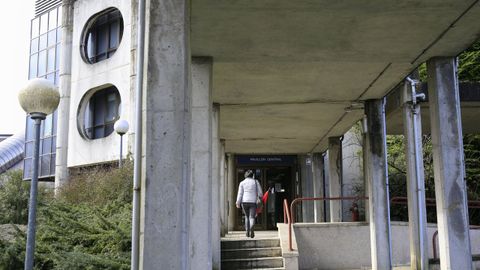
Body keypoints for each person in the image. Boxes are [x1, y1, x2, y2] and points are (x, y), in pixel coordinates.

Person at [236, 169, 262, 238]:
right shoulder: (256, 182)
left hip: (244, 202)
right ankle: (252, 227)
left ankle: (247, 231)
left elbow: (240, 194)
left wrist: (238, 202)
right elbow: (260, 193)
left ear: (245, 175)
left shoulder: (242, 183)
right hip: (253, 202)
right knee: (252, 217)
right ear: (252, 175)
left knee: (246, 217)